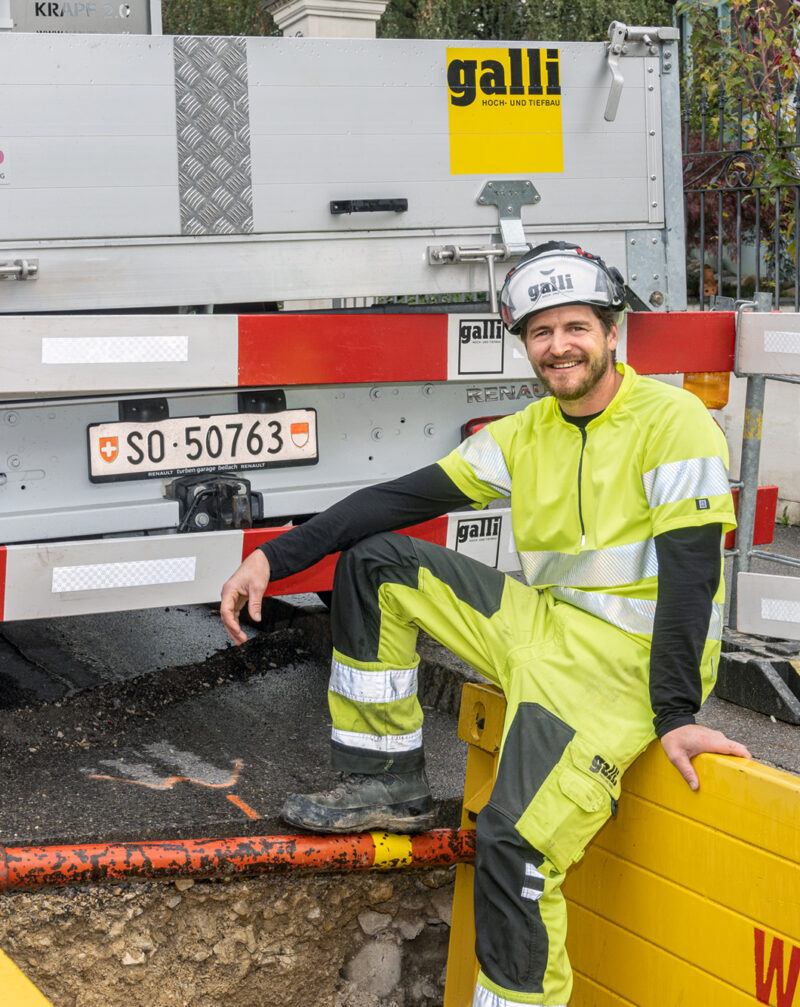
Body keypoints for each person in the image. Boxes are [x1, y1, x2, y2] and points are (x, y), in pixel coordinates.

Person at [220, 241, 751, 1007]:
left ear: (610, 332)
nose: (559, 345)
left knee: (514, 844)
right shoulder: (529, 430)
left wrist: (675, 713)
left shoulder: (674, 424)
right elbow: (400, 498)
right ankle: (385, 784)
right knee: (378, 562)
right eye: (541, 332)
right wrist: (276, 555)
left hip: (621, 671)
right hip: (541, 628)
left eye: (575, 327)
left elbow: (692, 577)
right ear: (525, 343)